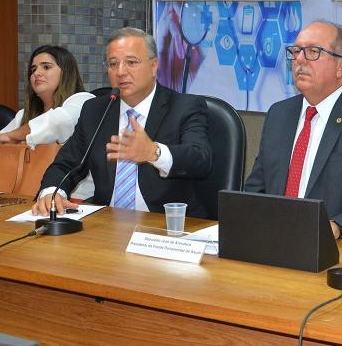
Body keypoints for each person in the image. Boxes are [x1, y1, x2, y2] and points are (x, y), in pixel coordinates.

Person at [243, 20, 342, 241]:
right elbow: (255, 190)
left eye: (313, 52)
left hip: (335, 248)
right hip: (274, 240)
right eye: (296, 51)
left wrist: (337, 226)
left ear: (341, 67)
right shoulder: (279, 114)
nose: (299, 59)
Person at [33, 27, 213, 218]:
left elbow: (200, 159)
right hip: (107, 223)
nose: (120, 72)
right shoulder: (95, 110)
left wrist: (154, 152)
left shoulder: (184, 107)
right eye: (113, 64)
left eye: (131, 62)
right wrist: (52, 192)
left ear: (154, 66)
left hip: (166, 224)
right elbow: (65, 164)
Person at [0, 45, 95, 199]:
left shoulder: (84, 101)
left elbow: (57, 123)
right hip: (24, 196)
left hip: (76, 197)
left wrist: (12, 137)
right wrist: (14, 142)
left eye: (46, 67)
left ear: (66, 72)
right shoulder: (24, 115)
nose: (37, 73)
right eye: (33, 69)